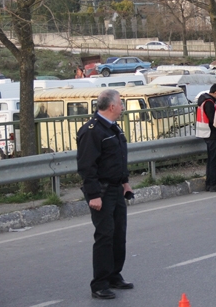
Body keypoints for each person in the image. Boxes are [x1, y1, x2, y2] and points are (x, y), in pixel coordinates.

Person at [76, 89, 134, 300]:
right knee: (105, 236)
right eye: (121, 104)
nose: (122, 107)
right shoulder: (92, 131)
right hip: (101, 191)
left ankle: (113, 275)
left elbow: (119, 157)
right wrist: (93, 195)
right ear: (111, 106)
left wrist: (126, 183)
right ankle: (99, 283)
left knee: (119, 234)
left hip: (117, 189)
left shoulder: (113, 127)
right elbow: (86, 166)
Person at [196, 84, 216, 192]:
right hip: (211, 134)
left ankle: (209, 183)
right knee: (214, 160)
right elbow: (213, 120)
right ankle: (213, 183)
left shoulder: (203, 99)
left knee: (211, 160)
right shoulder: (209, 102)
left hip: (205, 133)